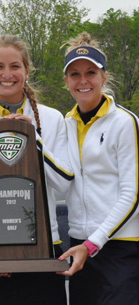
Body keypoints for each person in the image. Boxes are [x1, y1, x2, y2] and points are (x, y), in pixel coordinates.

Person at [0, 34, 73, 305]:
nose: (6, 74)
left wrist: (34, 139)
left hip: (44, 248)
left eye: (15, 66)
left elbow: (63, 183)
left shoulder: (53, 118)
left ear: (26, 71)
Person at [57, 32, 139, 305]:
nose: (83, 81)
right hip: (79, 244)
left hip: (120, 248)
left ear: (104, 77)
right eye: (75, 74)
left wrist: (94, 242)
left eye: (91, 72)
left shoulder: (124, 122)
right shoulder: (64, 125)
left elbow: (132, 194)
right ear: (66, 80)